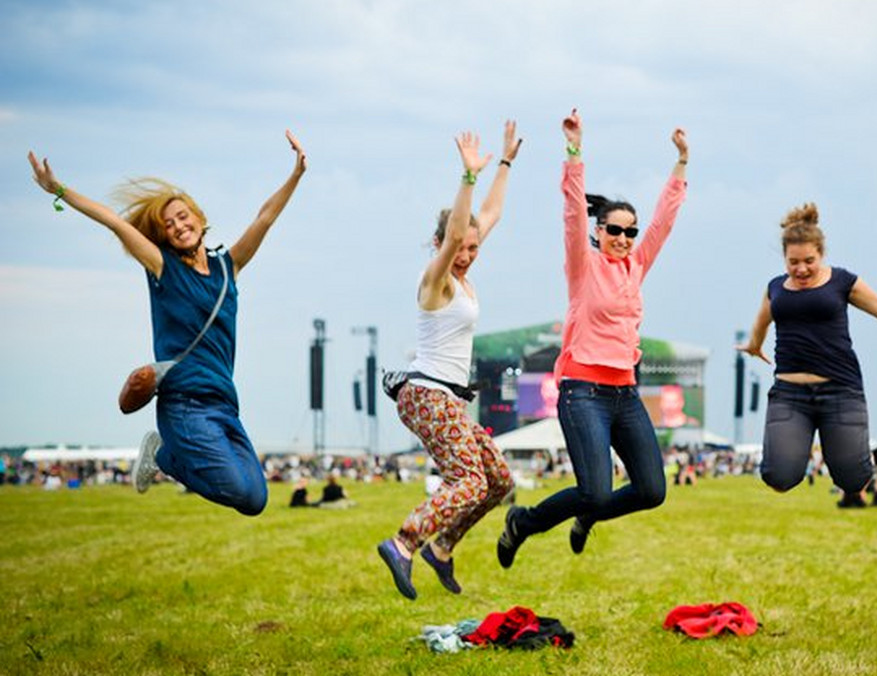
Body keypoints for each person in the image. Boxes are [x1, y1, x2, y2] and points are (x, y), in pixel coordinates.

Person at [27, 132, 307, 516]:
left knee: (256, 499)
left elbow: (265, 216)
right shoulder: (162, 267)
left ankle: (167, 456)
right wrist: (57, 188)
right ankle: (164, 455)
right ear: (162, 235)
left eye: (182, 216)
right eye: (168, 224)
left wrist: (296, 174)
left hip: (225, 403)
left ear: (198, 217)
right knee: (240, 492)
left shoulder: (229, 267)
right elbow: (113, 221)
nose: (177, 226)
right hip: (184, 404)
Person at [496, 109, 688, 567]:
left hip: (624, 393)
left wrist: (681, 162)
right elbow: (571, 211)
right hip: (582, 393)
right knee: (594, 489)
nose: (624, 238)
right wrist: (574, 149)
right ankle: (524, 522)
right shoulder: (584, 266)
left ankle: (591, 516)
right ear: (599, 232)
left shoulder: (636, 266)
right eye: (615, 230)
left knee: (651, 490)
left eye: (630, 232)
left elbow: (664, 221)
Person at [376, 124, 520, 600]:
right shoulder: (436, 279)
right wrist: (467, 175)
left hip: (448, 401)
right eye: (459, 248)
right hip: (426, 393)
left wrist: (505, 163)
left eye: (474, 249)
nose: (467, 255)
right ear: (440, 244)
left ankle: (442, 549)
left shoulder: (468, 262)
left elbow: (489, 215)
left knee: (498, 481)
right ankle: (403, 543)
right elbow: (460, 227)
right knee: (470, 479)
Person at [737, 203, 877, 509]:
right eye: (793, 262)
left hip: (840, 390)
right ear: (784, 258)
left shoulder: (842, 282)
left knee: (852, 480)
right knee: (778, 477)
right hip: (789, 394)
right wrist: (755, 346)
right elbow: (761, 321)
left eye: (809, 260)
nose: (801, 269)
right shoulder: (775, 288)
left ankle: (865, 465)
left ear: (822, 254)